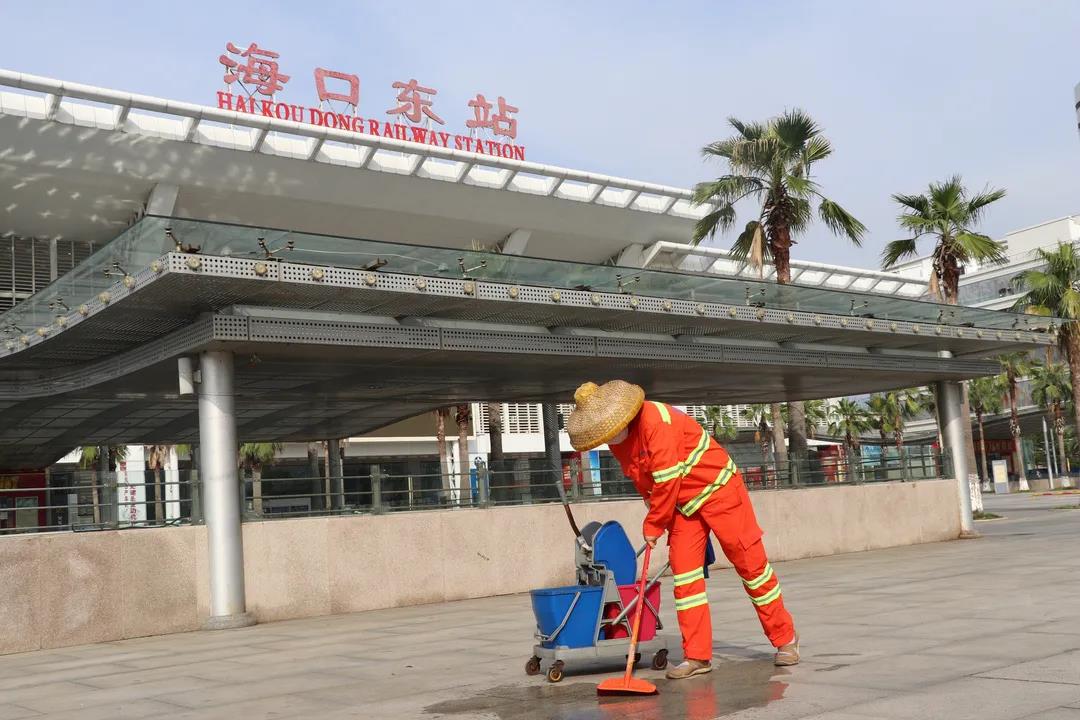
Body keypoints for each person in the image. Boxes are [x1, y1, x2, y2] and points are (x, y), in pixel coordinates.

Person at [566, 380, 799, 679]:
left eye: (608, 431)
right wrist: (656, 518)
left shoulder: (656, 422)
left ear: (623, 415)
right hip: (682, 507)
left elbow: (666, 481)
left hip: (719, 491)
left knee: (752, 567)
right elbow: (646, 484)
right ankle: (697, 657)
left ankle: (786, 640)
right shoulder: (618, 441)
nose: (608, 438)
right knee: (686, 581)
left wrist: (653, 524)